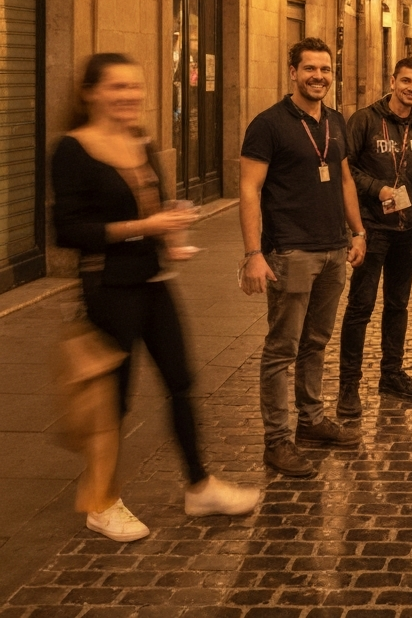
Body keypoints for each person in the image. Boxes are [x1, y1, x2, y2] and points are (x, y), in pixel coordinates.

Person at [53, 53, 259, 542]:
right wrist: (145, 227)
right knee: (112, 400)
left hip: (153, 282)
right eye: (117, 87)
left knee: (181, 382)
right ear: (90, 93)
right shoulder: (73, 149)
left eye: (135, 87)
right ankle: (101, 503)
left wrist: (170, 237)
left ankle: (199, 485)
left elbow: (155, 207)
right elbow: (70, 230)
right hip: (108, 289)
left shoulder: (140, 140)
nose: (129, 96)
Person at [238, 37, 367, 478]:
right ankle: (277, 441)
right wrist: (254, 253)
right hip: (290, 251)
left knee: (316, 342)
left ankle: (310, 421)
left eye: (325, 70)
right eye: (310, 69)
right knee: (282, 348)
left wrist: (358, 231)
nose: (318, 77)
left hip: (333, 249)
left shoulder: (335, 120)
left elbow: (346, 180)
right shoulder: (268, 124)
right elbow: (249, 190)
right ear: (292, 71)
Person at [336, 58, 412, 418]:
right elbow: (346, 171)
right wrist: (377, 188)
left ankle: (391, 374)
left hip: (407, 231)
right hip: (372, 228)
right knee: (360, 307)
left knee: (398, 305)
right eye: (406, 81)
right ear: (392, 81)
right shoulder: (364, 120)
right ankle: (348, 385)